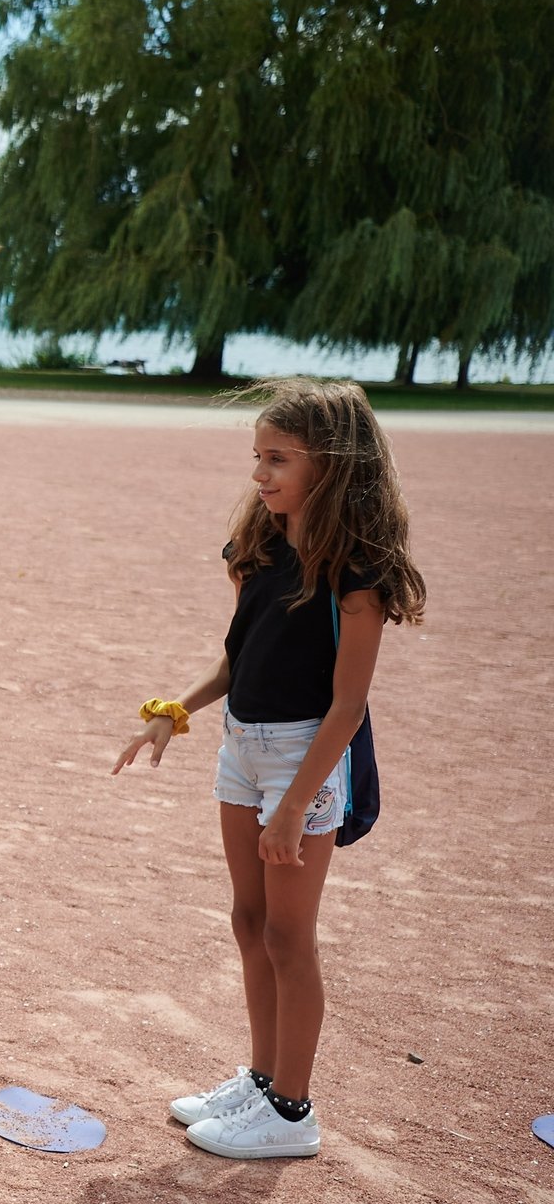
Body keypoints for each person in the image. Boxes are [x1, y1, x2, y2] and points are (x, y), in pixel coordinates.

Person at [111, 379, 426, 1162]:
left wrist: (294, 803)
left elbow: (349, 704)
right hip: (241, 745)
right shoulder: (262, 543)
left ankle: (292, 1109)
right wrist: (174, 712)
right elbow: (237, 654)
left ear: (332, 464)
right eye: (258, 455)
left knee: (290, 934)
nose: (260, 473)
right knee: (247, 920)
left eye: (278, 458)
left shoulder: (357, 571)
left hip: (302, 756)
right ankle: (259, 1079)